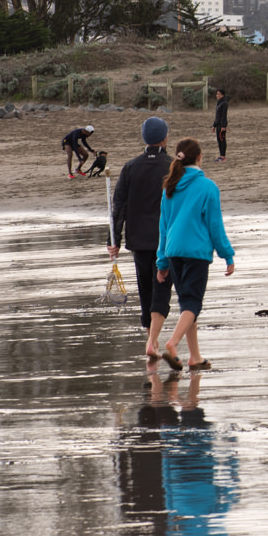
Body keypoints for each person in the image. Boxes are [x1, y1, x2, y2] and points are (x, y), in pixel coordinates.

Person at [154, 138, 234, 372]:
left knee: (187, 304)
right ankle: (172, 343)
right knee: (192, 303)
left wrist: (162, 261)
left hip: (174, 251)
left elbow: (164, 227)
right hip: (196, 252)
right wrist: (227, 255)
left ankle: (195, 357)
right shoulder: (208, 187)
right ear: (199, 157)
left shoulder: (169, 186)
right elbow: (214, 226)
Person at [109, 116, 174, 361]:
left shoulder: (130, 167)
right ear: (165, 138)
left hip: (138, 240)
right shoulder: (171, 166)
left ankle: (151, 338)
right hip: (165, 239)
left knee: (146, 289)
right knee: (161, 289)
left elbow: (118, 207)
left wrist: (112, 239)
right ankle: (152, 341)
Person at [211, 87, 229, 161]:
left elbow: (224, 115)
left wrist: (223, 126)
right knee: (219, 140)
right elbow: (217, 116)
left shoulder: (224, 103)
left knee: (222, 139)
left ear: (222, 95)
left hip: (222, 125)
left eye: (218, 94)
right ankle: (221, 155)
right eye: (217, 94)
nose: (217, 95)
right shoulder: (219, 102)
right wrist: (214, 125)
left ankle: (222, 156)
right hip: (218, 124)